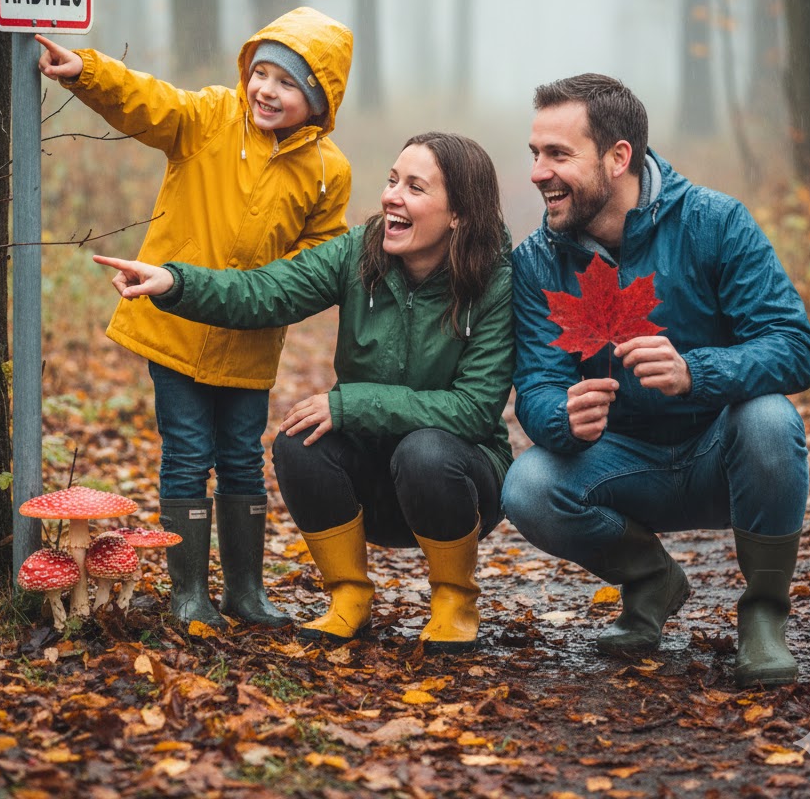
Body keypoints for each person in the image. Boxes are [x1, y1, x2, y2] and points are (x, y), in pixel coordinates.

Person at [93, 132, 514, 652]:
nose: (392, 197)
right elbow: (266, 291)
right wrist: (175, 283)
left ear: (459, 216)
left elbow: (474, 410)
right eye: (391, 180)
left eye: (415, 187)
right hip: (377, 487)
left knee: (425, 449)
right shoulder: (360, 253)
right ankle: (349, 597)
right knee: (299, 440)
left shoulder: (493, 282)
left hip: (460, 489)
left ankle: (454, 600)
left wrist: (351, 404)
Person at [36, 7, 353, 631]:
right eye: (261, 73)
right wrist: (87, 72)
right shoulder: (210, 118)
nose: (267, 90)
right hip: (174, 331)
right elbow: (150, 102)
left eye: (288, 83)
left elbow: (318, 263)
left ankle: (244, 592)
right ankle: (188, 594)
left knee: (239, 457)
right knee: (186, 454)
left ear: (319, 99)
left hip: (250, 344)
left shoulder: (327, 172)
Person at [501, 73, 810, 688]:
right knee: (529, 484)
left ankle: (762, 619)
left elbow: (796, 348)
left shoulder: (714, 222)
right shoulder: (538, 261)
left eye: (558, 154)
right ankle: (651, 578)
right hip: (620, 465)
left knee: (770, 418)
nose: (539, 172)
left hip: (720, 454)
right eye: (535, 154)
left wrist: (695, 372)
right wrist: (561, 418)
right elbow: (537, 385)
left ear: (619, 157)